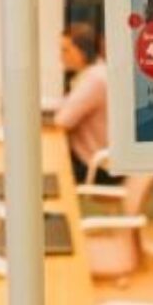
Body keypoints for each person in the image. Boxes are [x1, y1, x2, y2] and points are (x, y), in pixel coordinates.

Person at [55, 23, 112, 186]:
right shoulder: (96, 72)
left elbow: (62, 121)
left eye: (66, 50)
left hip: (98, 167)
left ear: (83, 51)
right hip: (97, 157)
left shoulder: (94, 79)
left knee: (45, 164)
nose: (61, 56)